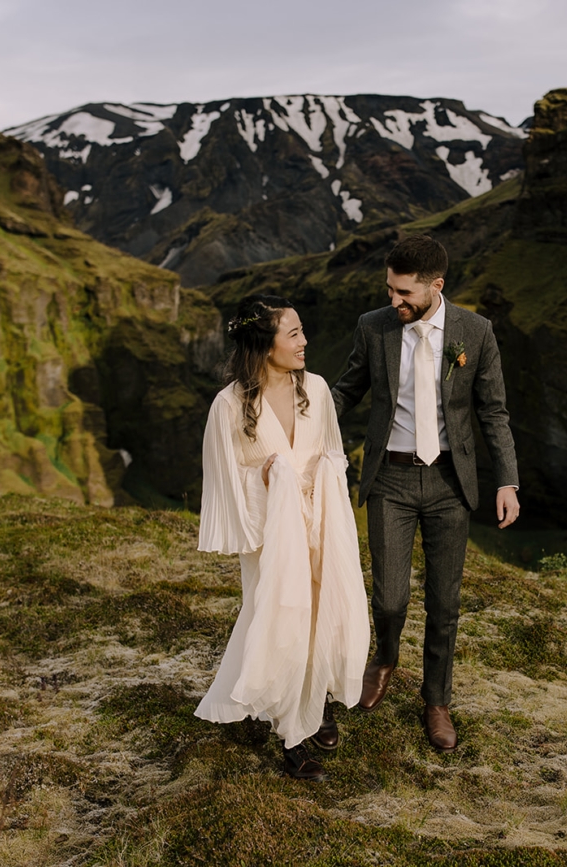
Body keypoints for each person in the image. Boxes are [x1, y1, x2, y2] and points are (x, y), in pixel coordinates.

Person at [332, 234, 520, 752]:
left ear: (437, 286)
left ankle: (436, 701)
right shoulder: (373, 328)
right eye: (390, 290)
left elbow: (493, 411)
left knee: (445, 602)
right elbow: (348, 388)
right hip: (388, 479)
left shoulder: (475, 332)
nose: (394, 302)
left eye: (404, 293)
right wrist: (298, 411)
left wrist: (507, 480)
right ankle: (385, 658)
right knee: (389, 597)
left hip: (448, 484)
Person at [194, 294, 369, 782]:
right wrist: (271, 482)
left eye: (302, 330)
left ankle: (320, 699)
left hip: (323, 523)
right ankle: (292, 733)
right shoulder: (229, 406)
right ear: (263, 343)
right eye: (292, 333)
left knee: (328, 608)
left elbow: (333, 453)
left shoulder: (315, 388)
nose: (305, 341)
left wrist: (324, 480)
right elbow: (226, 482)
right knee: (282, 621)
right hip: (274, 536)